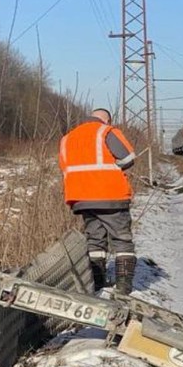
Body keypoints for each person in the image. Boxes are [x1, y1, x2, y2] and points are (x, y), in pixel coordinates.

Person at [59, 108, 138, 294]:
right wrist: (112, 169)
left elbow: (65, 167)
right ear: (107, 120)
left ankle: (98, 284)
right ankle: (124, 287)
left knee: (95, 241)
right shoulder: (106, 131)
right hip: (110, 195)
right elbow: (128, 157)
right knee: (122, 239)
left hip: (81, 197)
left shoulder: (67, 138)